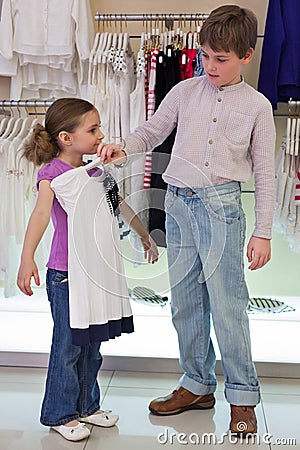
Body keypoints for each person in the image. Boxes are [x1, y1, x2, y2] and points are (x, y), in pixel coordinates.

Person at [98, 5, 276, 436]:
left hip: (222, 209)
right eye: (205, 55)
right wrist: (124, 147)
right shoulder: (182, 91)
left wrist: (263, 231)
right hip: (178, 205)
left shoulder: (258, 106)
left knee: (228, 306)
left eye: (221, 59)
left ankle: (242, 395)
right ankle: (196, 383)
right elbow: (152, 131)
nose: (210, 66)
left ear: (246, 57)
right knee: (185, 303)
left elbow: (267, 170)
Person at [17, 98, 159, 442]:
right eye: (92, 129)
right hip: (65, 275)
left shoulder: (96, 170)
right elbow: (39, 216)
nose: (100, 135)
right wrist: (26, 258)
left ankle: (86, 406)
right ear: (66, 138)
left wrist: (144, 235)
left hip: (94, 273)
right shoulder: (52, 174)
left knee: (92, 343)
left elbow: (118, 204)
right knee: (68, 346)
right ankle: (59, 413)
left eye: (99, 128)